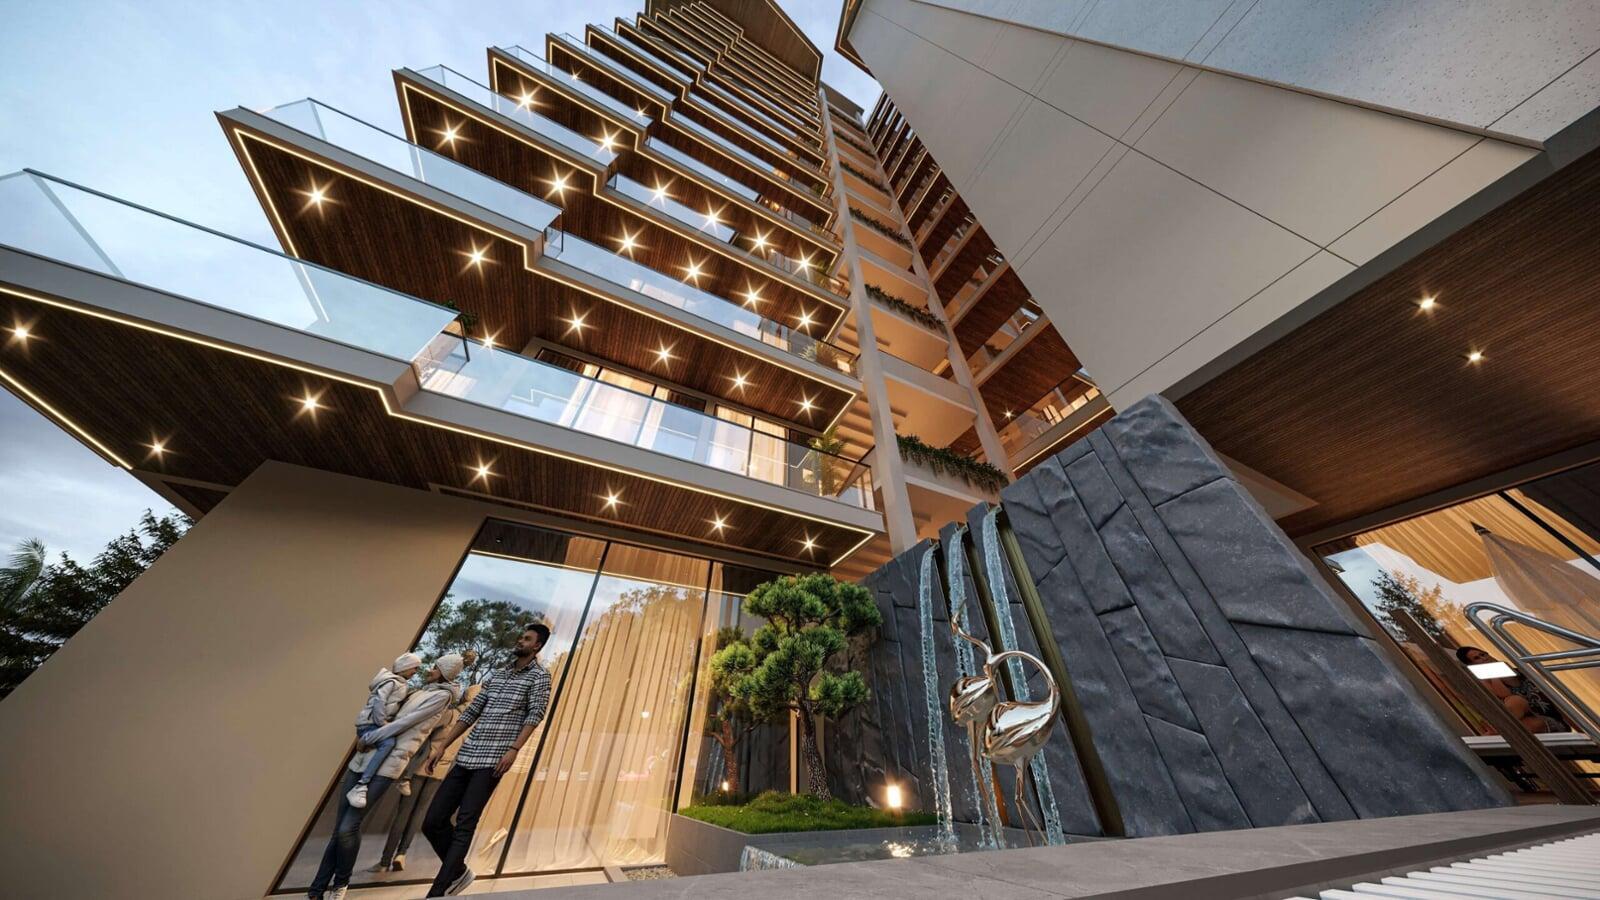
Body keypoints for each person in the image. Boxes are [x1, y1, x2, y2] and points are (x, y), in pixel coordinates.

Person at [307, 653, 465, 900]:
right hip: (365, 758)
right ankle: (316, 891)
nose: (429, 669)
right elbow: (384, 713)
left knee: (348, 827)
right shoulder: (419, 691)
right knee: (340, 830)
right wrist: (365, 735)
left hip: (387, 764)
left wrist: (372, 736)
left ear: (445, 673)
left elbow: (404, 723)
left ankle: (341, 884)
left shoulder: (441, 696)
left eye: (435, 667)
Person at [421, 623, 552, 898]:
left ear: (537, 646)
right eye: (521, 636)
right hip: (467, 754)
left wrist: (514, 749)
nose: (520, 640)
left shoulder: (540, 676)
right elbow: (472, 712)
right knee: (432, 821)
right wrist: (442, 746)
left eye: (527, 638)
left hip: (494, 759)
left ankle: (438, 891)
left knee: (466, 822)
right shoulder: (499, 673)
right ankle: (458, 871)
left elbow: (535, 714)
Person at [370, 663, 480, 874]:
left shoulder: (451, 715)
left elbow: (425, 730)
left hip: (421, 766)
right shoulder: (472, 724)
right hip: (440, 771)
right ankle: (402, 854)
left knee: (403, 813)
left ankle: (384, 861)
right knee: (418, 814)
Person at [348, 652, 422, 810]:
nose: (415, 672)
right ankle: (362, 784)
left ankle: (362, 783)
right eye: (414, 668)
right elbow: (379, 701)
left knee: (388, 743)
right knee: (388, 743)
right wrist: (382, 723)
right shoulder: (391, 682)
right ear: (406, 666)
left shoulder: (400, 684)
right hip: (370, 724)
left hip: (373, 724)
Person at [1456, 645, 1570, 734]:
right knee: (1520, 720)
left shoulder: (1510, 670)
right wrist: (1491, 675)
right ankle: (1497, 732)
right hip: (1522, 723)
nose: (1483, 658)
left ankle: (1496, 732)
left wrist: (1494, 670)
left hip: (1547, 720)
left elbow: (1507, 693)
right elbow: (1502, 694)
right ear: (1472, 664)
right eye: (1477, 658)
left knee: (1515, 701)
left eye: (1483, 654)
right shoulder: (1484, 680)